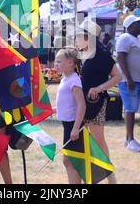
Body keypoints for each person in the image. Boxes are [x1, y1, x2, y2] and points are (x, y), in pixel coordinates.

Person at [75, 18, 121, 184]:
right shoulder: (82, 54)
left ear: (88, 37)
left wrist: (99, 88)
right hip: (82, 104)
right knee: (85, 142)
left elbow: (118, 77)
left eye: (80, 35)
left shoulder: (101, 55)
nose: (77, 39)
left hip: (96, 104)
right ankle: (89, 176)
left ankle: (111, 178)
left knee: (99, 142)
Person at [116, 15, 140, 152]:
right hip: (129, 80)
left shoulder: (135, 40)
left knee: (132, 108)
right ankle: (130, 141)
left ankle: (129, 139)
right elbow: (121, 58)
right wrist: (128, 78)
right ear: (131, 26)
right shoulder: (125, 38)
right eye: (138, 23)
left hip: (138, 80)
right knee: (130, 109)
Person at [53, 48, 86, 184]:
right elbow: (66, 104)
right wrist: (51, 110)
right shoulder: (65, 79)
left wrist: (75, 128)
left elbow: (81, 105)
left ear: (71, 62)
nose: (56, 64)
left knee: (70, 161)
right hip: (67, 124)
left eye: (59, 61)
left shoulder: (74, 80)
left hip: (73, 125)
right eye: (56, 61)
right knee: (70, 160)